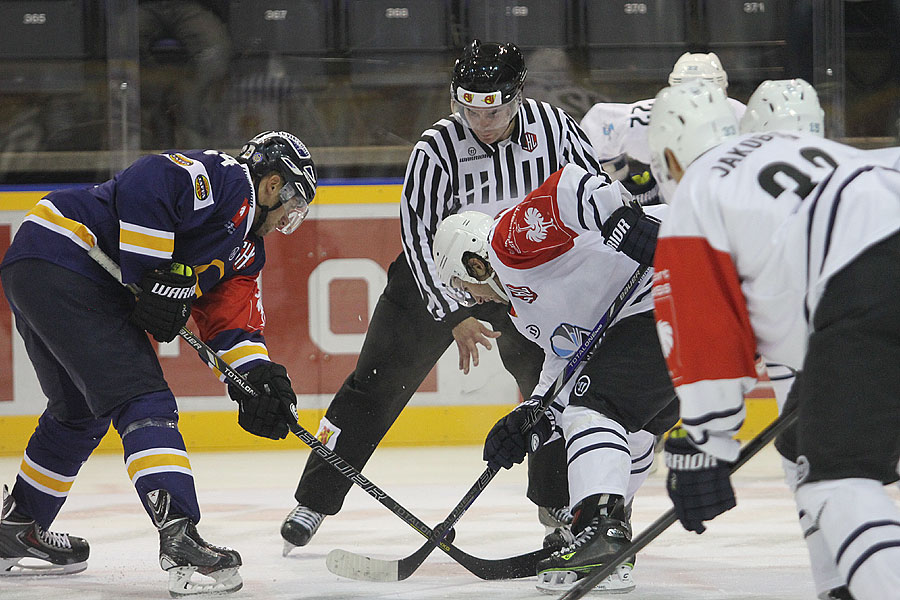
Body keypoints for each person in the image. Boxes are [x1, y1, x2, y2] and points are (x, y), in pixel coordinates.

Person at [280, 40, 607, 554]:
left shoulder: (555, 128)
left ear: (517, 95)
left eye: (493, 108)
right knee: (374, 386)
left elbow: (596, 190)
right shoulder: (437, 147)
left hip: (521, 279)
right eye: (469, 107)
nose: (481, 119)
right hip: (438, 274)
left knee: (551, 385)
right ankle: (315, 500)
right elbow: (415, 235)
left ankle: (557, 500)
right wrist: (452, 311)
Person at [0, 131, 316, 596]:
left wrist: (258, 381)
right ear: (272, 185)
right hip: (71, 253)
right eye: (292, 206)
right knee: (144, 399)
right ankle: (180, 536)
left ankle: (18, 528)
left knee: (79, 413)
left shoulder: (247, 252)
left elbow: (233, 327)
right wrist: (152, 273)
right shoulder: (227, 180)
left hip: (38, 262)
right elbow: (150, 179)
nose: (288, 219)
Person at [647, 79, 900, 600]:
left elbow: (703, 331)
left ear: (669, 156)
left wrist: (706, 442)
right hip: (871, 272)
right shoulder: (804, 148)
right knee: (816, 448)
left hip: (868, 281)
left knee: (838, 480)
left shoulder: (699, 188)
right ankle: (842, 586)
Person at [430, 163, 678, 593]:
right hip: (672, 312)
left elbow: (569, 185)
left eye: (462, 284)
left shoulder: (508, 245)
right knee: (629, 429)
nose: (470, 297)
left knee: (591, 410)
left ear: (473, 261)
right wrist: (530, 415)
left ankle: (600, 531)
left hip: (682, 264)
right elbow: (566, 364)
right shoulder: (525, 315)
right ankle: (608, 533)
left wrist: (623, 223)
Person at [580, 52, 746, 206]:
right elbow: (598, 131)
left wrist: (617, 182)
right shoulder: (744, 117)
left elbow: (598, 129)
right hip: (685, 214)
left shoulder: (745, 118)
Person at [139, 0, 231, 148]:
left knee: (216, 50)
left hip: (189, 4)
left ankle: (188, 112)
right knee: (121, 44)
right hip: (139, 6)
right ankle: (158, 117)